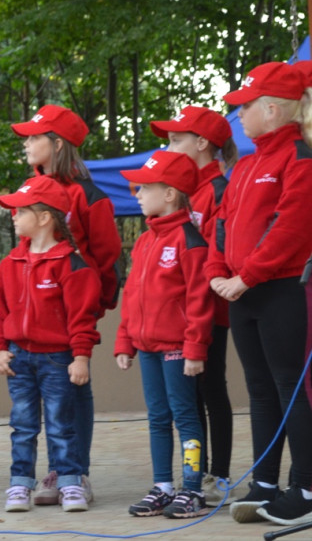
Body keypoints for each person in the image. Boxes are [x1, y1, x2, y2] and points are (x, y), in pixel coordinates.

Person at [205, 61, 312, 526]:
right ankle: (266, 480)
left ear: (271, 109)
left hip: (282, 289)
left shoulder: (300, 156)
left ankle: (306, 486)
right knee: (260, 389)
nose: (238, 117)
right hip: (239, 293)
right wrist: (216, 272)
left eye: (243, 107)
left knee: (292, 389)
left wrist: (246, 276)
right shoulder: (246, 165)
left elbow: (291, 226)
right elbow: (221, 226)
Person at [11, 104, 121, 504]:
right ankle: (59, 471)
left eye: (34, 136)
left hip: (73, 311)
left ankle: (75, 473)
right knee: (42, 403)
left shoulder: (88, 194)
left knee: (75, 389)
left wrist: (94, 304)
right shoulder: (29, 189)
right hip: (35, 314)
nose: (26, 143)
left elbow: (108, 256)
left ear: (56, 144)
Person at [0, 176, 99, 514]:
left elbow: (82, 318)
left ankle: (70, 483)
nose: (13, 216)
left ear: (45, 217)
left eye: (20, 211)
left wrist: (80, 357)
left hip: (57, 359)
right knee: (22, 425)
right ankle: (20, 484)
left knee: (61, 424)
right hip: (19, 358)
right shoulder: (10, 264)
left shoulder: (71, 265)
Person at [114, 150, 214, 519]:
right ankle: (163, 486)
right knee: (157, 416)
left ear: (170, 193)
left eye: (143, 187)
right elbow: (132, 297)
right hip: (147, 347)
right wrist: (125, 340)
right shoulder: (144, 241)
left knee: (185, 416)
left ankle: (192, 489)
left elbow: (198, 300)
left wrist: (194, 347)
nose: (136, 194)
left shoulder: (190, 241)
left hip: (176, 349)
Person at [150, 106, 237, 500]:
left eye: (175, 139)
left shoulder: (219, 190)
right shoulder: (180, 189)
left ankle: (217, 474)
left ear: (202, 143)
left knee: (211, 389)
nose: (169, 147)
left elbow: (221, 250)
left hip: (211, 310)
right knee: (190, 397)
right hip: (180, 316)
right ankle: (193, 475)